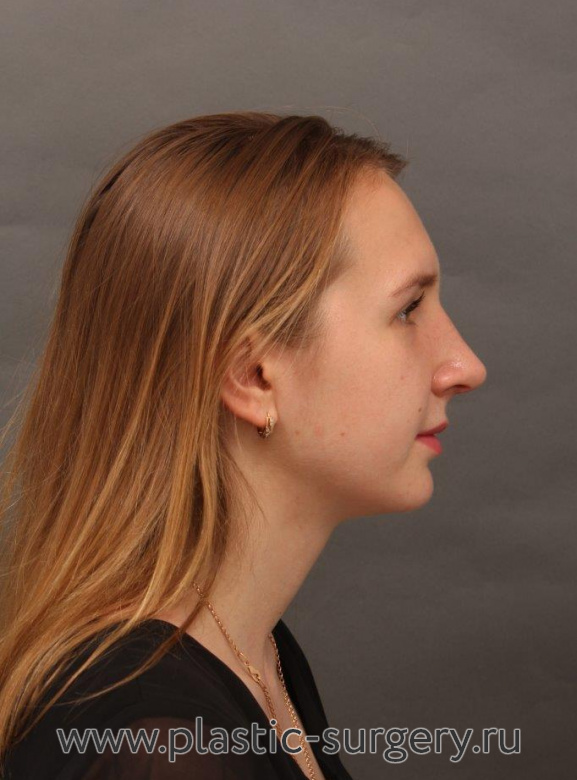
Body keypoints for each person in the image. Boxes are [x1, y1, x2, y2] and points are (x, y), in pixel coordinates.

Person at [0, 111, 487, 779]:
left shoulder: (253, 654)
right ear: (253, 377)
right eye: (407, 310)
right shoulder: (161, 746)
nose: (464, 366)